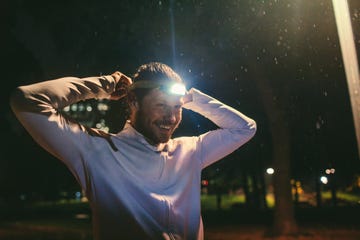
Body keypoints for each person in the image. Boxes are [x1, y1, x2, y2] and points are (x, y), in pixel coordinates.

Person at [10, 62, 256, 240]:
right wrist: (103, 86)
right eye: (161, 106)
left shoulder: (191, 150)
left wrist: (191, 98)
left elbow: (245, 128)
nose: (171, 118)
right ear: (134, 102)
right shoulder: (96, 150)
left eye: (177, 108)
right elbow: (25, 100)